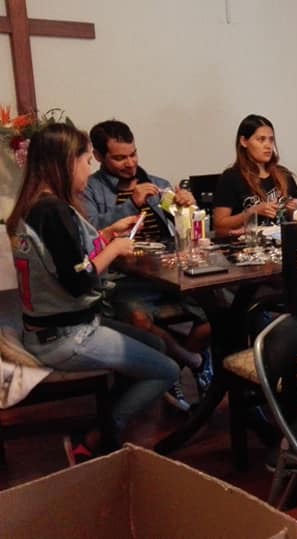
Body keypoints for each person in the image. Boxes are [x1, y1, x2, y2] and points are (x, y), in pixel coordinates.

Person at [6, 123, 179, 464]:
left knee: (157, 344)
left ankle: (105, 426)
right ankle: (99, 435)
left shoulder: (35, 206)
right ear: (66, 162)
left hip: (57, 328)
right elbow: (79, 280)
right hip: (67, 336)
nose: (89, 171)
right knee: (168, 370)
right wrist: (114, 249)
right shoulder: (52, 211)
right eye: (86, 161)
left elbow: (66, 258)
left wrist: (106, 232)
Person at [83, 120, 212, 409]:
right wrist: (132, 204)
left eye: (133, 154)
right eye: (119, 157)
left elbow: (185, 234)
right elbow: (90, 233)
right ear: (100, 156)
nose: (130, 163)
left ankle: (177, 371)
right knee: (139, 321)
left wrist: (187, 209)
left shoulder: (159, 183)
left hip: (171, 271)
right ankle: (187, 363)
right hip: (126, 279)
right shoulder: (90, 189)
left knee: (219, 313)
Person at [212, 114, 297, 236]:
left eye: (271, 139)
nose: (268, 146)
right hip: (248, 247)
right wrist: (252, 212)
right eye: (261, 139)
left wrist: (293, 210)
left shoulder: (283, 174)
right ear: (244, 141)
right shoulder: (231, 177)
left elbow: (292, 217)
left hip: (281, 243)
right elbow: (219, 225)